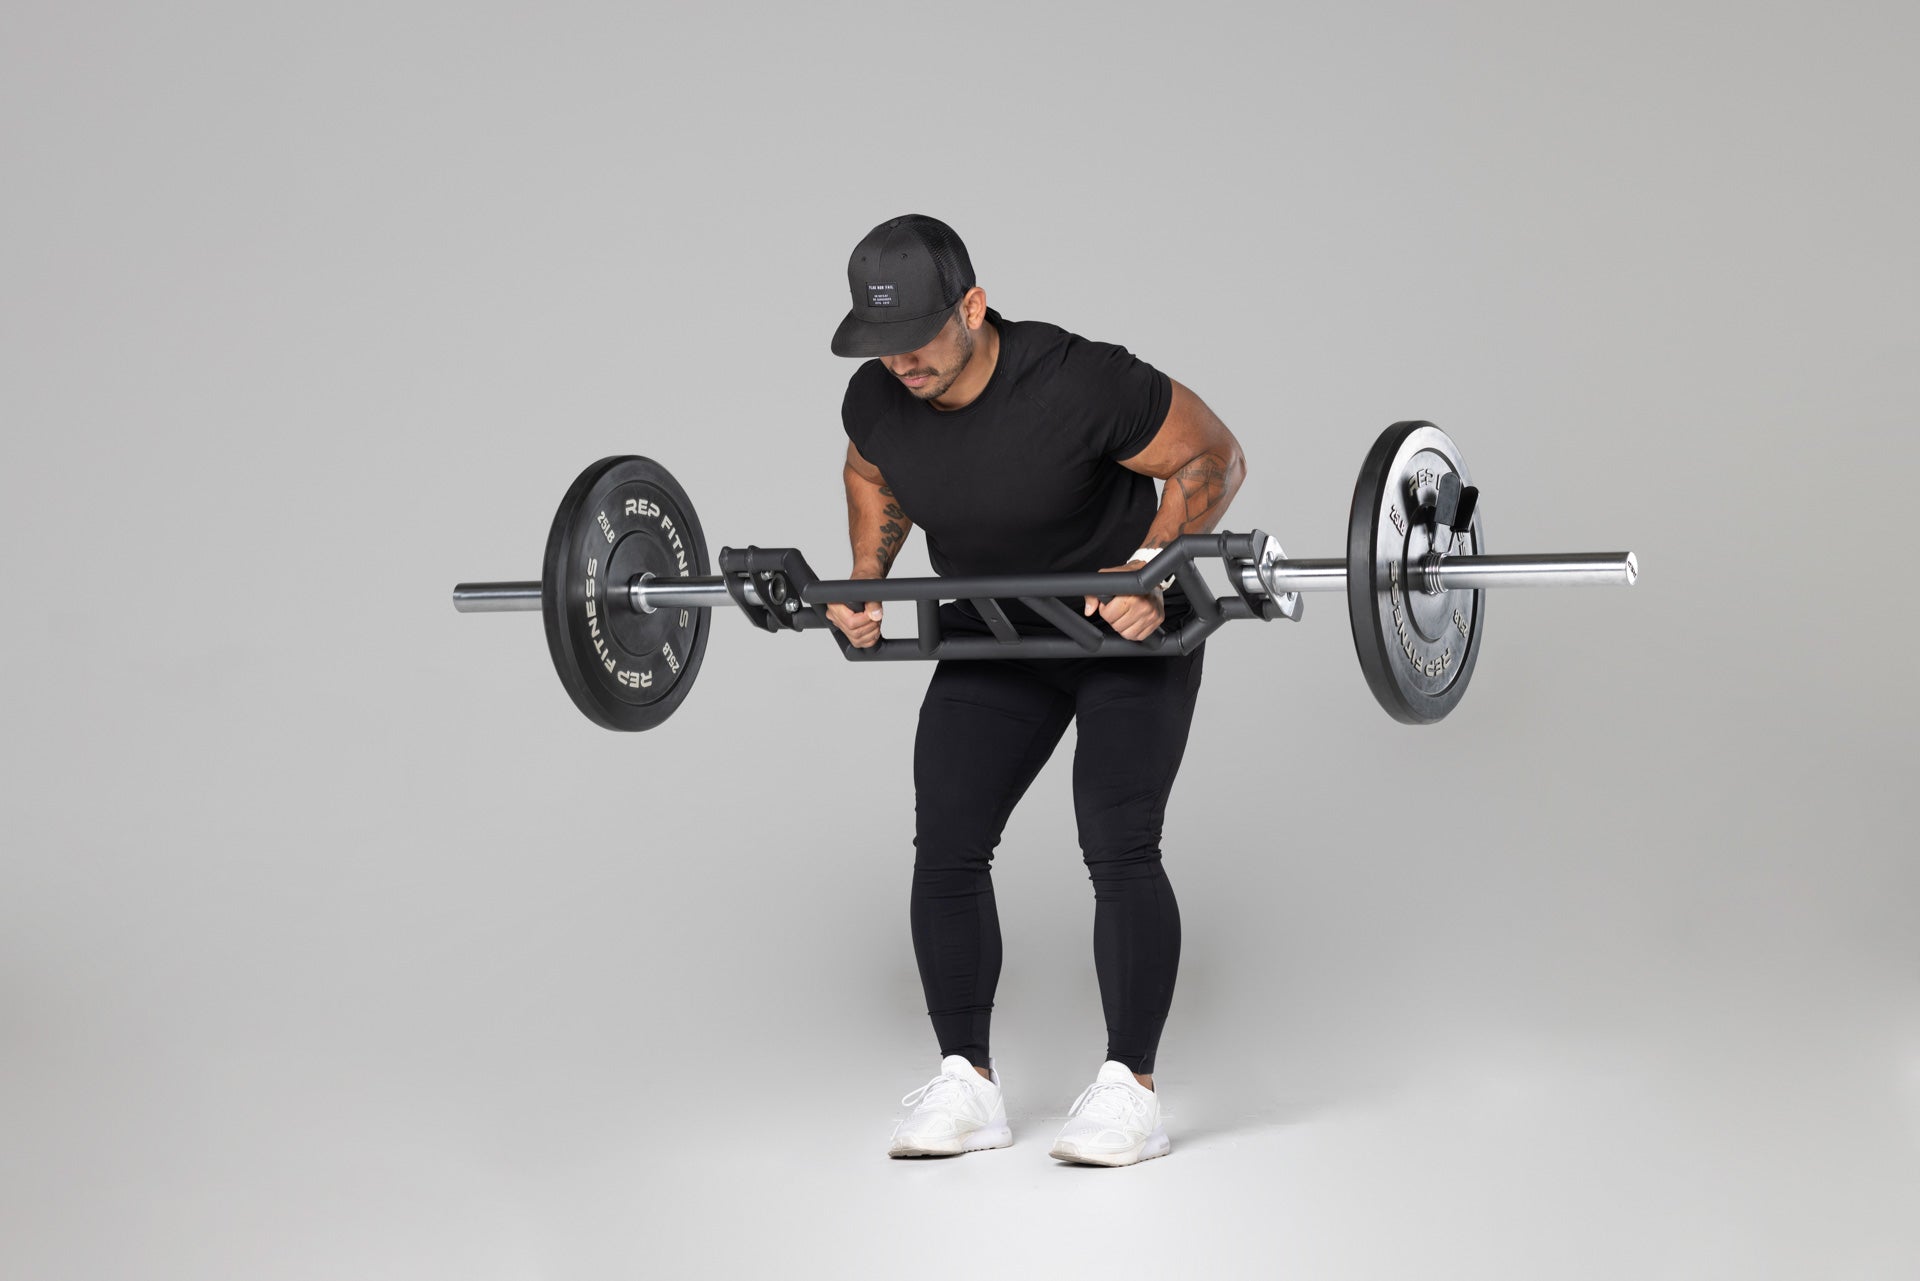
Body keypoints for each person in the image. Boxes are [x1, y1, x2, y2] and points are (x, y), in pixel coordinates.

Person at [825, 215, 1247, 1167]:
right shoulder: (877, 397)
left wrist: (1151, 565)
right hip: (995, 632)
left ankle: (1129, 1089)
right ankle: (968, 1084)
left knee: (1116, 834)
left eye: (918, 339)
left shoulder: (1076, 380)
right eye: (881, 345)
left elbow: (1214, 455)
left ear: (972, 307)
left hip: (1127, 623)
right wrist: (865, 576)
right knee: (948, 839)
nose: (900, 363)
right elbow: (868, 469)